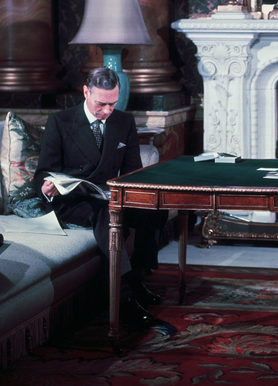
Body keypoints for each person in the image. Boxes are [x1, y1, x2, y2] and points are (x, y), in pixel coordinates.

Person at [33, 67, 175, 335]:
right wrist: (46, 185)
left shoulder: (124, 122)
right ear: (86, 92)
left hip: (108, 195)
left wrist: (140, 192)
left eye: (113, 103)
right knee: (106, 214)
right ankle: (125, 300)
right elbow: (43, 171)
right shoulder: (60, 121)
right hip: (73, 201)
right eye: (101, 104)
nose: (108, 111)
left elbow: (133, 172)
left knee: (154, 207)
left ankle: (137, 278)